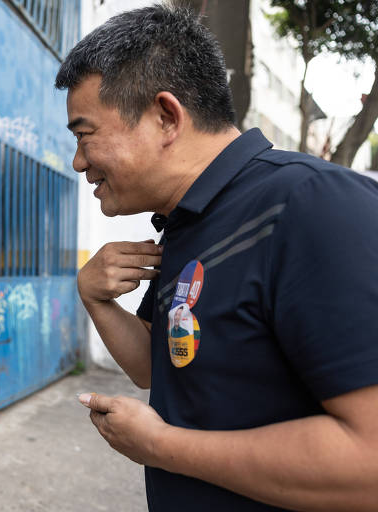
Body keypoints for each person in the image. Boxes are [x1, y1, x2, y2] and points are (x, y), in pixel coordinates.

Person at [55, 4, 378, 511]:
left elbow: (370, 464)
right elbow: (162, 366)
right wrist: (96, 299)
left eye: (84, 134)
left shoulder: (311, 207)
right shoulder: (186, 224)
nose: (78, 162)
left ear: (165, 117)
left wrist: (161, 447)